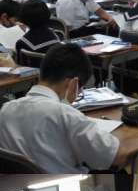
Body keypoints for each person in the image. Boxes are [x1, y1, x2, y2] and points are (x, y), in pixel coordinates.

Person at [0, 43, 129, 173]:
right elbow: (116, 157)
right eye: (80, 90)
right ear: (73, 84)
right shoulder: (67, 115)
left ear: (41, 74)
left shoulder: (5, 110)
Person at [15, 0, 59, 64]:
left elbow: (20, 66)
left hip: (33, 70)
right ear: (47, 14)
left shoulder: (21, 43)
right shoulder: (58, 35)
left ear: (23, 19)